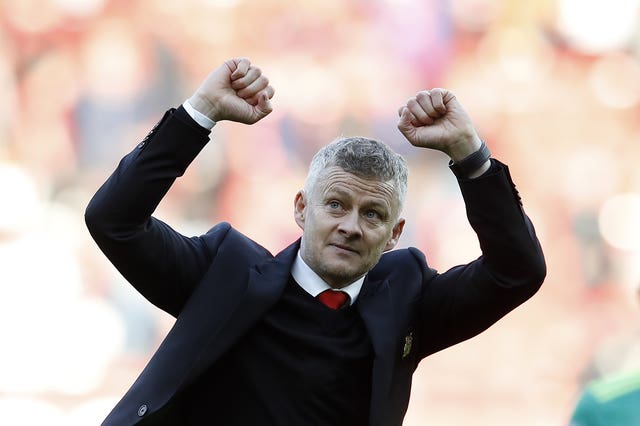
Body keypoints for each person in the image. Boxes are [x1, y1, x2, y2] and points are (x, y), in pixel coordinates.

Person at [85, 57, 546, 426]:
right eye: (336, 205)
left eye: (372, 214)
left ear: (394, 235)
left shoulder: (408, 299)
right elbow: (114, 220)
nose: (350, 225)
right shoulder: (224, 271)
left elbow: (517, 272)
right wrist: (198, 114)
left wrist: (470, 153)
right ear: (302, 209)